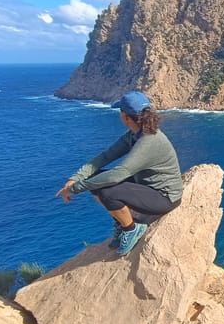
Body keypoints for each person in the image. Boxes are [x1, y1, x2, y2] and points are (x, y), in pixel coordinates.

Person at [55, 91, 183, 255]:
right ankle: (122, 222)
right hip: (147, 188)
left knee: (107, 191)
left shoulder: (149, 141)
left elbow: (118, 174)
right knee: (96, 179)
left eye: (120, 112)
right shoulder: (135, 135)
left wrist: (75, 189)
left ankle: (131, 229)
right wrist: (75, 178)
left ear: (127, 117)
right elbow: (106, 156)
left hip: (165, 197)